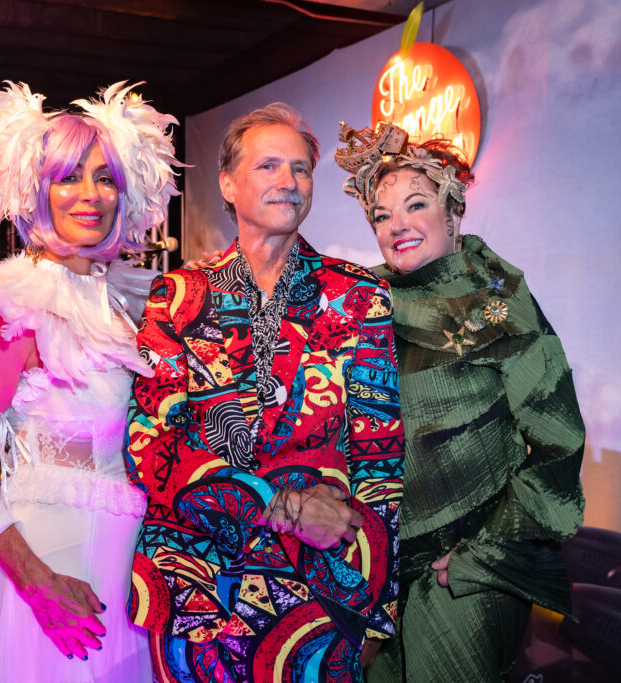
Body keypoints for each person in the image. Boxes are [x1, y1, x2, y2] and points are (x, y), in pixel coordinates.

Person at [0, 81, 182, 683]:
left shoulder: (131, 305)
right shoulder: (8, 308)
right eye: (68, 177)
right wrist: (38, 584)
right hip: (53, 564)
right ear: (37, 191)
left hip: (132, 567)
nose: (90, 195)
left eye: (105, 178)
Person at [125, 103, 405, 683]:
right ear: (227, 184)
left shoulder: (358, 296)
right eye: (269, 165)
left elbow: (382, 462)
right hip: (198, 587)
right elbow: (149, 448)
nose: (289, 181)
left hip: (323, 598)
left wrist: (378, 606)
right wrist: (284, 507)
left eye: (301, 169)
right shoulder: (176, 297)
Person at [334, 122, 586, 682]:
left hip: (465, 571)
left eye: (415, 205)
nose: (397, 224)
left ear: (452, 213)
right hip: (375, 572)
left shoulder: (498, 301)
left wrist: (484, 555)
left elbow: (558, 439)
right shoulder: (360, 305)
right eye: (381, 214)